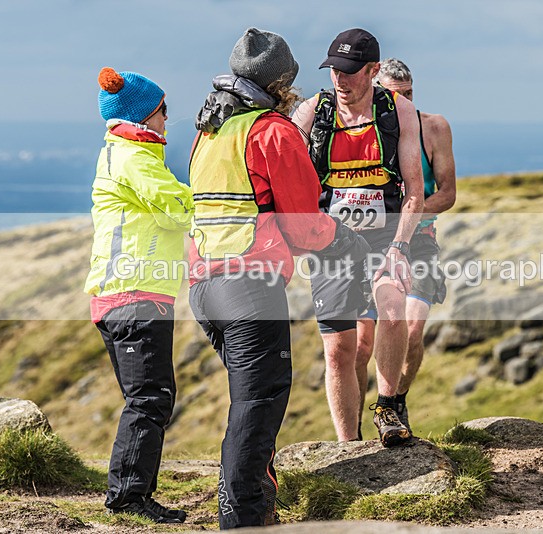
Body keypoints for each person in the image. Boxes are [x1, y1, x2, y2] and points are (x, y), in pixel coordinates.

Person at [187, 28, 369, 529]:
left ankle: (244, 507)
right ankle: (244, 517)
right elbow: (303, 225)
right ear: (282, 82)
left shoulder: (210, 130)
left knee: (248, 401)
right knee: (259, 402)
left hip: (203, 287)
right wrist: (344, 239)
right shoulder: (273, 131)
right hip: (248, 287)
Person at [292, 28, 425, 447]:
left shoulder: (398, 111)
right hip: (330, 238)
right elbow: (285, 174)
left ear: (372, 70)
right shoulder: (313, 112)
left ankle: (387, 406)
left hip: (384, 233)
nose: (340, 80)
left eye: (350, 71)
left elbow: (415, 191)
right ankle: (348, 446)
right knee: (339, 351)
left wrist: (400, 246)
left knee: (393, 308)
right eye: (334, 70)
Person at [85, 67, 194, 523]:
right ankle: (128, 498)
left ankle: (135, 493)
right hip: (134, 295)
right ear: (144, 115)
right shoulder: (135, 158)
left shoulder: (123, 152)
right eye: (163, 109)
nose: (168, 118)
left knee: (149, 397)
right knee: (149, 398)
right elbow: (178, 209)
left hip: (125, 295)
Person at [352, 58, 456, 436]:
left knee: (411, 329)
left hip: (420, 240)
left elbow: (447, 194)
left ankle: (394, 403)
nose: (405, 102)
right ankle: (352, 431)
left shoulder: (434, 127)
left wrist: (407, 218)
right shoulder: (357, 129)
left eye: (410, 93)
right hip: (367, 243)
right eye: (397, 95)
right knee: (360, 345)